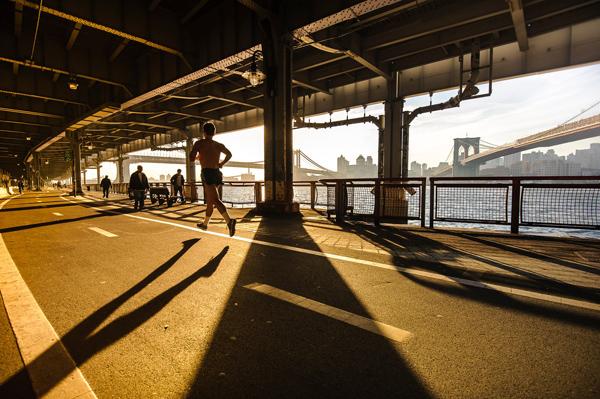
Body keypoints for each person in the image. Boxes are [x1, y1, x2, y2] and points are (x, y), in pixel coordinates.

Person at [189, 122, 236, 236]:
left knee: (214, 200)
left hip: (207, 173)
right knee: (210, 200)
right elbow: (229, 154)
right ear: (214, 132)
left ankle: (230, 221)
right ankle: (205, 224)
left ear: (204, 132)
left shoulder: (199, 143)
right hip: (217, 173)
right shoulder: (218, 144)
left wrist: (198, 156)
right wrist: (221, 163)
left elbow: (191, 158)